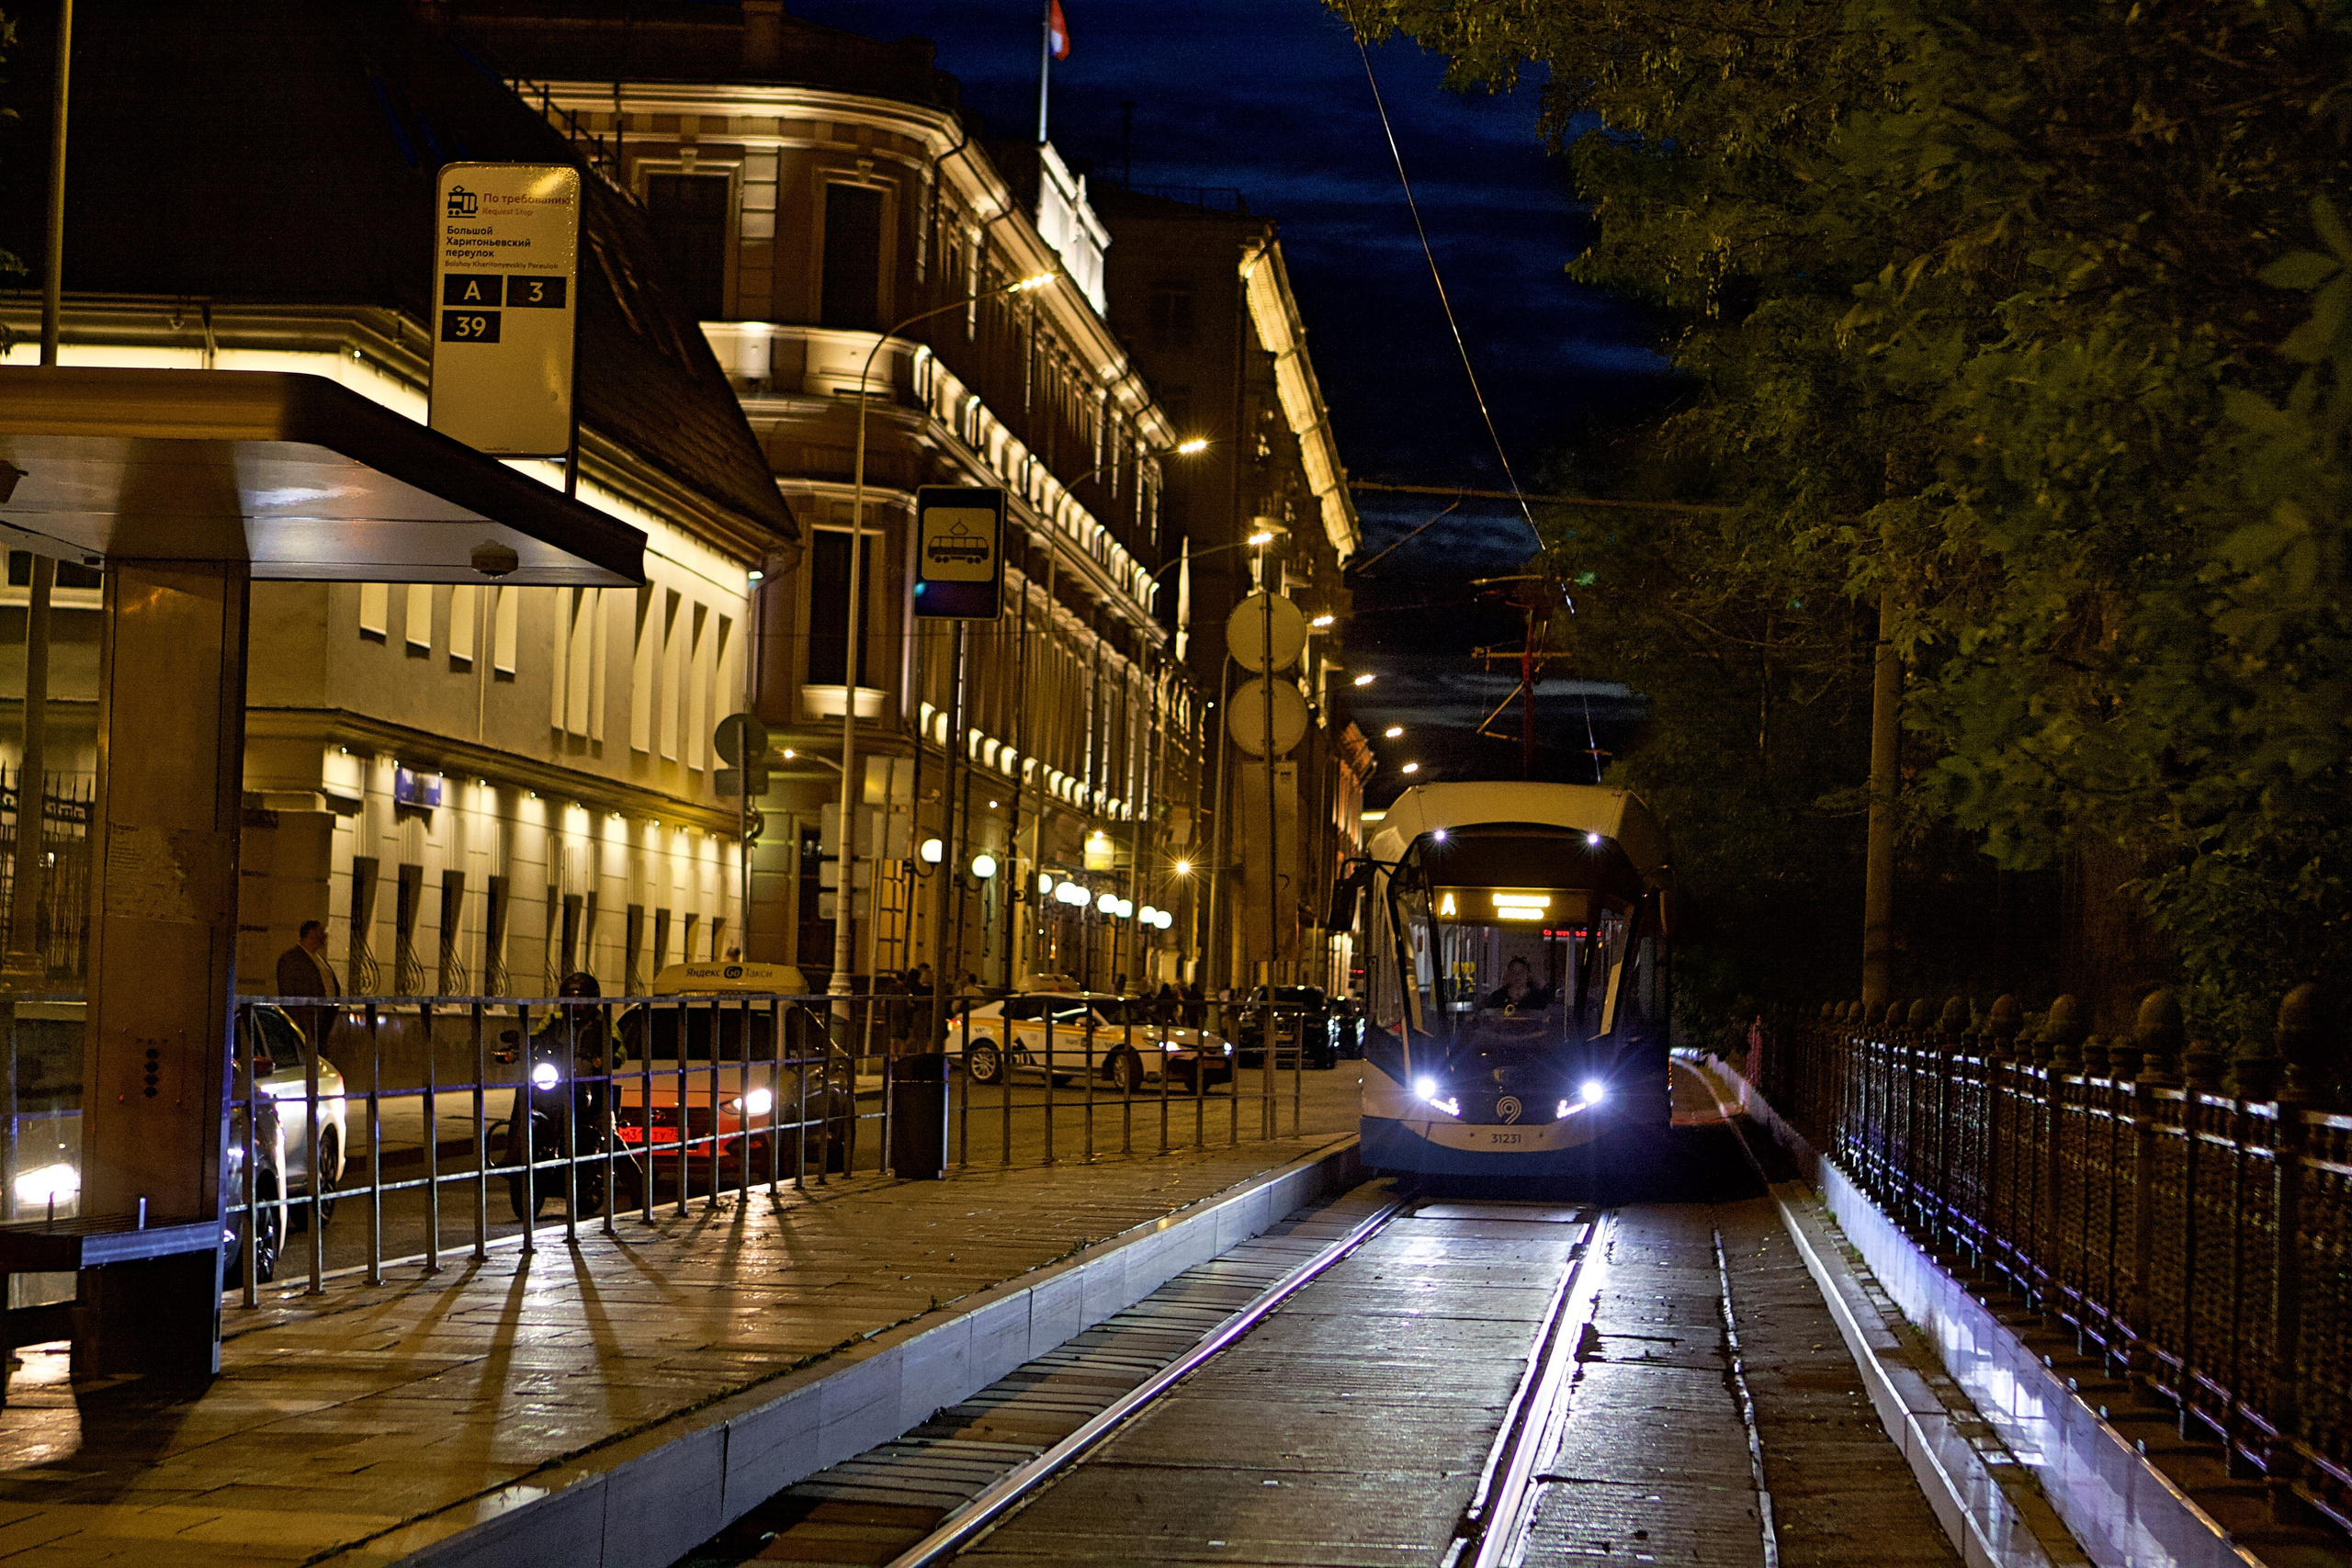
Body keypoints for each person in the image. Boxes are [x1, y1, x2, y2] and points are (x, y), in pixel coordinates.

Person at [275, 919, 341, 1053]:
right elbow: (287, 990)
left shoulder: (318, 958)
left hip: (323, 1017)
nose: (324, 935)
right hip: (307, 1020)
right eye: (320, 931)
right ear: (311, 933)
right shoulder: (291, 959)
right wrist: (296, 1018)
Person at [1485, 956, 1552, 1011]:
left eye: (1521, 972)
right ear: (1508, 974)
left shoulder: (1537, 997)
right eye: (1513, 972)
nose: (1517, 975)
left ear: (1528, 975)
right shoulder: (1498, 997)